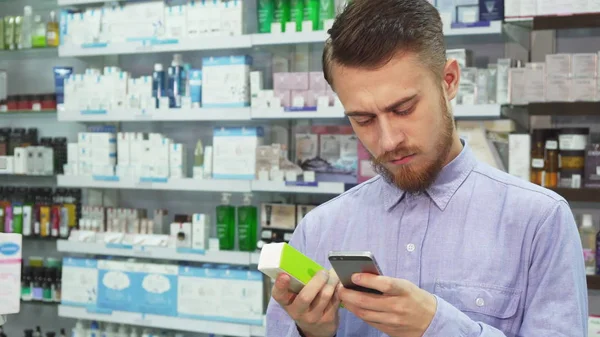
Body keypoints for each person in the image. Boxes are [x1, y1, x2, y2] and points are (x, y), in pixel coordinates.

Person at [265, 0, 589, 336]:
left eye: (403, 109)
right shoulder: (318, 229)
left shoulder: (538, 222)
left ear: (449, 81)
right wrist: (312, 332)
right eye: (364, 119)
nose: (388, 141)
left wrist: (437, 326)